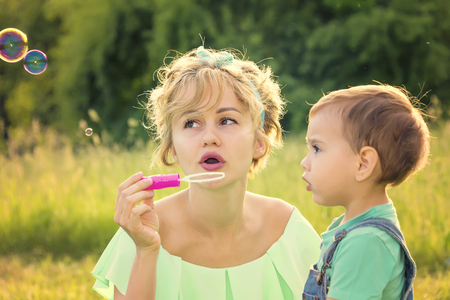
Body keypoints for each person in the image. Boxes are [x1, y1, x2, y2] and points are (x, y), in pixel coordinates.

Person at [91, 46, 321, 300]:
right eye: (191, 123)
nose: (209, 138)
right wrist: (146, 251)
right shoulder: (141, 232)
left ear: (258, 142)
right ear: (172, 149)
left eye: (227, 120)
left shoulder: (288, 231)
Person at [300, 84, 430, 300]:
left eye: (316, 148)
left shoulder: (366, 242)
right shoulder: (351, 227)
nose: (304, 162)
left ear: (363, 164)